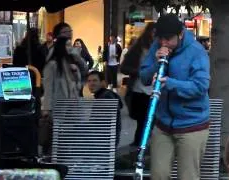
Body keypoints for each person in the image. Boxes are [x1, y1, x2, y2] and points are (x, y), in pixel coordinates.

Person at [140, 14, 210, 180]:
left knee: (188, 176)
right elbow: (143, 76)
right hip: (163, 124)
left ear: (180, 34)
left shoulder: (196, 52)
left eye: (168, 39)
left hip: (192, 124)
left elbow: (200, 87)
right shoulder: (157, 46)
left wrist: (171, 84)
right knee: (158, 175)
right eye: (160, 38)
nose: (164, 43)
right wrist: (156, 62)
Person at [41, 37, 88, 155]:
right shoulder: (52, 65)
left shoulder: (71, 64)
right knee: (54, 138)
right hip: (58, 108)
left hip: (72, 107)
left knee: (68, 138)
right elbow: (48, 87)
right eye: (67, 45)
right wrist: (46, 108)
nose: (70, 48)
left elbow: (85, 70)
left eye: (70, 45)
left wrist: (77, 57)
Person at [121, 22, 155, 146]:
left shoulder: (160, 48)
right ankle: (139, 144)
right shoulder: (138, 49)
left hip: (154, 89)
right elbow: (124, 67)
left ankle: (142, 143)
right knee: (143, 119)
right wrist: (138, 72)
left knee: (149, 120)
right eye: (153, 32)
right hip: (139, 89)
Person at [87, 70, 123, 146]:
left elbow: (98, 125)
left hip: (105, 142)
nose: (91, 84)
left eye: (95, 80)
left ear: (102, 83)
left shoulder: (105, 97)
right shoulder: (104, 95)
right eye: (89, 81)